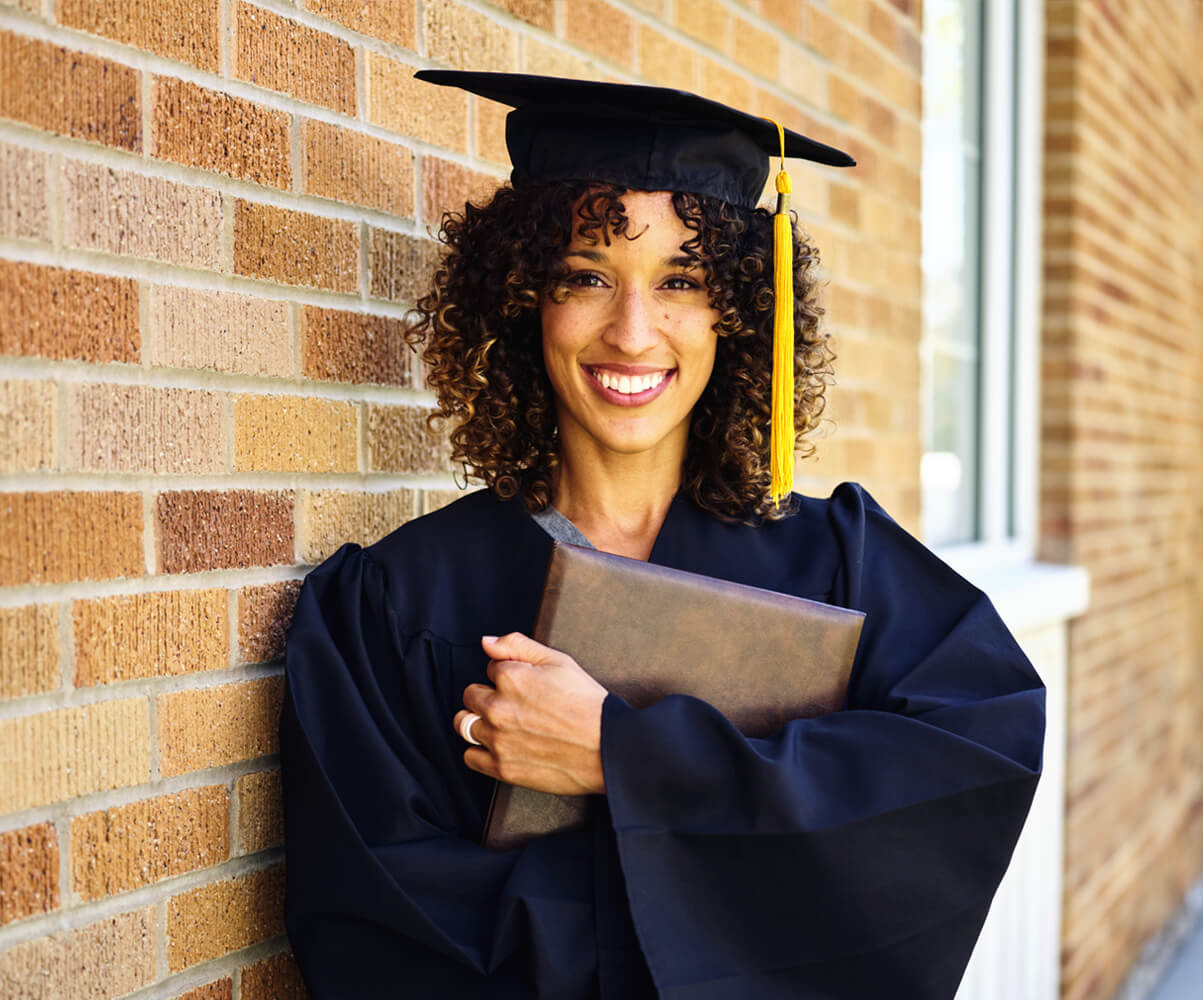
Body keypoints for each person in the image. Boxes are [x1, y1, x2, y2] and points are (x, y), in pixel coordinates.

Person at [280, 71, 1044, 999]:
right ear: (526, 299)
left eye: (680, 279)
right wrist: (722, 869)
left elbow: (963, 773)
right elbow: (380, 934)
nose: (633, 332)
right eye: (587, 276)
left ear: (738, 310)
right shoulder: (396, 600)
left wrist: (621, 756)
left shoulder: (837, 560)